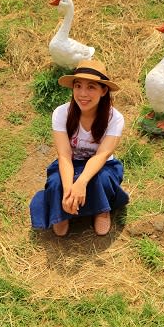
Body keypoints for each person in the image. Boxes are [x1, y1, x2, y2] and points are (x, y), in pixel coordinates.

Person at [29, 59, 129, 237]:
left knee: (103, 180)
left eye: (91, 87)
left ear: (103, 90)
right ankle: (63, 211)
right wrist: (69, 189)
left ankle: (101, 210)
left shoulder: (115, 118)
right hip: (71, 162)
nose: (83, 93)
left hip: (102, 165)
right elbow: (64, 155)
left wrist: (81, 183)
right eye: (78, 86)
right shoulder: (61, 113)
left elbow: (102, 155)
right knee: (56, 183)